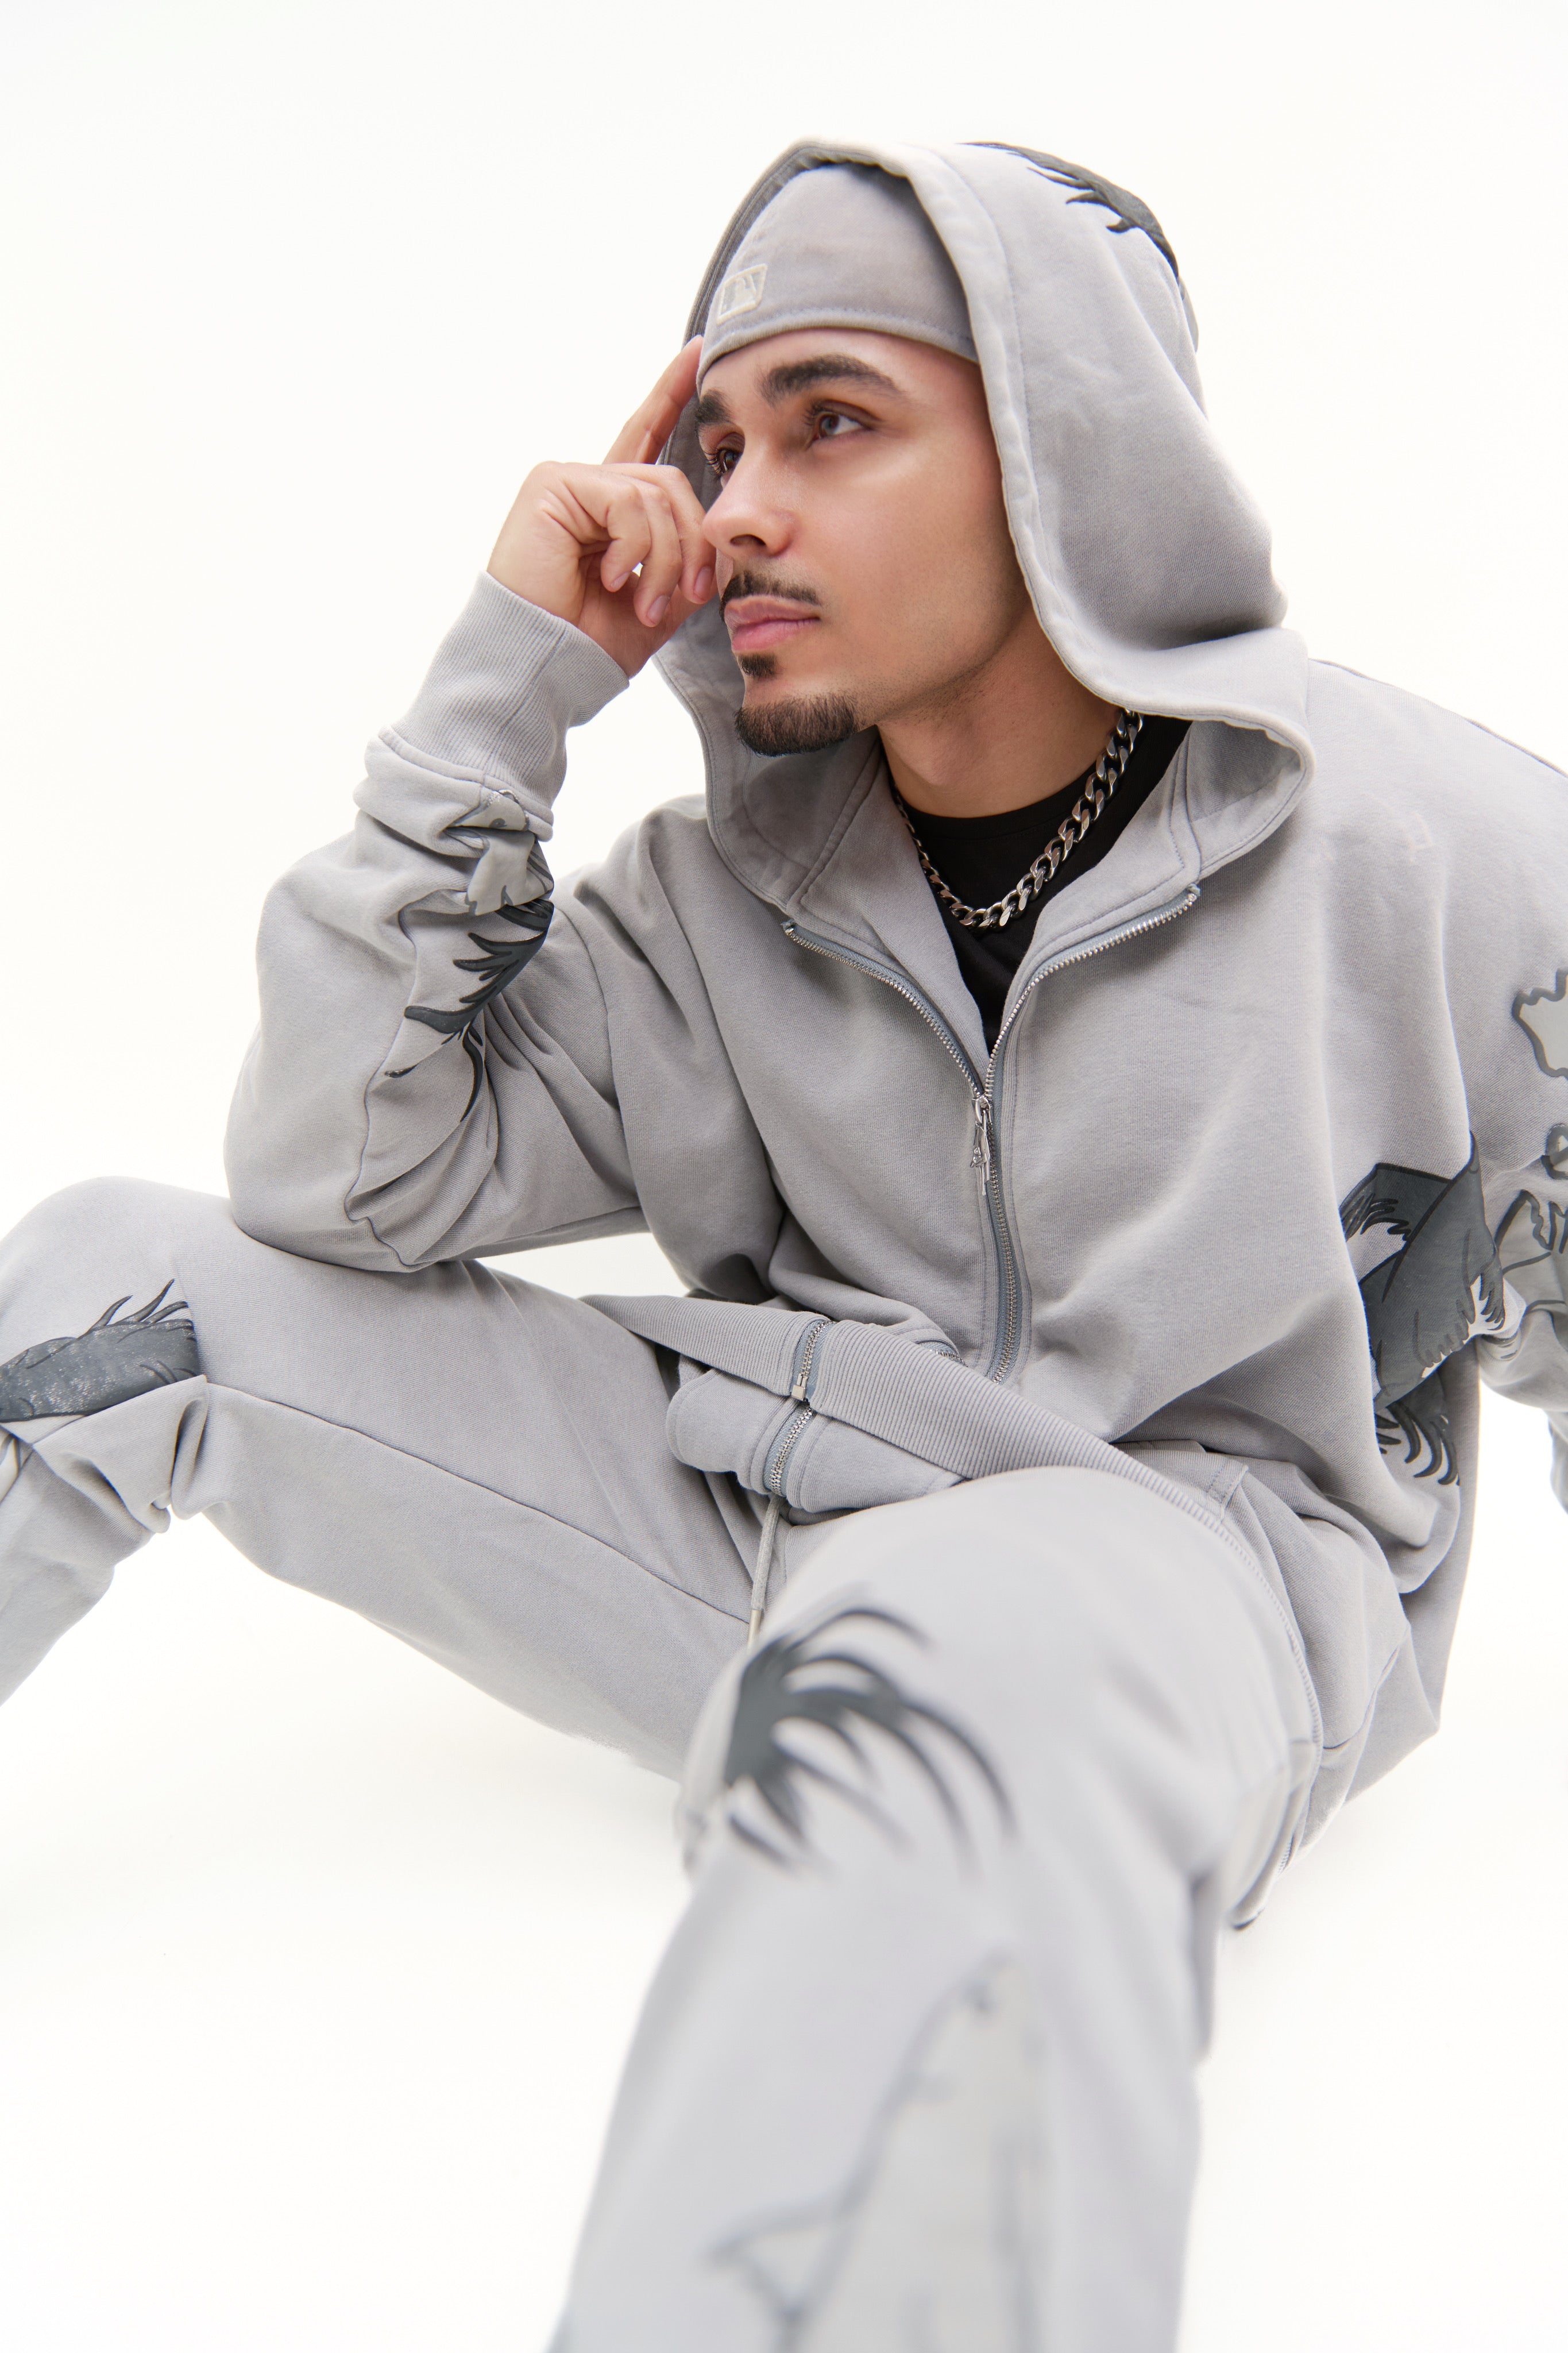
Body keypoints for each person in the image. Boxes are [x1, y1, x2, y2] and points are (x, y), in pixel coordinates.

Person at [1, 138, 1564, 2350]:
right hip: (756, 1510)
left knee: (948, 1650)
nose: (733, 508)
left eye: (834, 421)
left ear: (1070, 446)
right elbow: (338, 1178)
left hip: (1165, 1585)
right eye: (718, 443)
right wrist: (509, 685)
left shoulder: (1438, 850)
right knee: (109, 1283)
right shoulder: (721, 895)